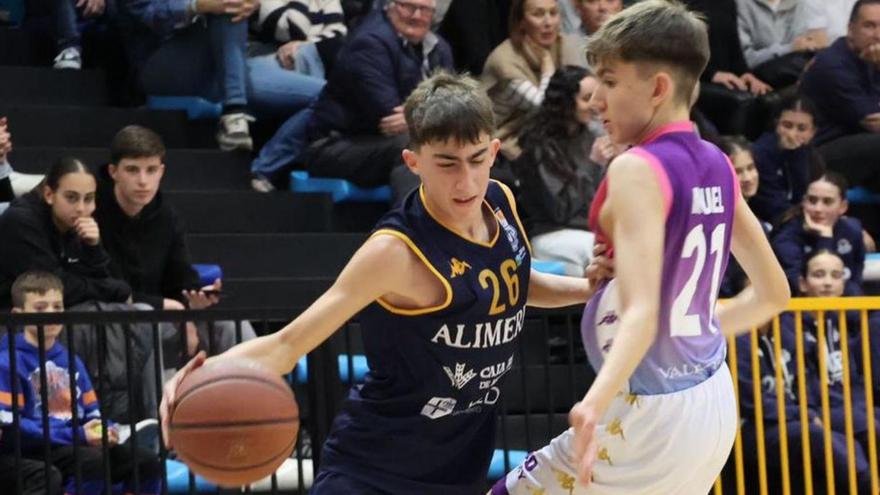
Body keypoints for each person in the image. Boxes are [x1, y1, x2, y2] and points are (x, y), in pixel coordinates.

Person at [161, 72, 603, 495]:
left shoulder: (500, 201)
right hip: (375, 471)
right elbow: (285, 345)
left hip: (460, 465)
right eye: (446, 164)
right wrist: (197, 380)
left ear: (493, 151)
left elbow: (515, 284)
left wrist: (589, 288)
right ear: (413, 161)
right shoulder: (394, 252)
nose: (465, 181)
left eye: (476, 160)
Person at [493, 2, 790, 493]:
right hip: (710, 398)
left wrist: (592, 401)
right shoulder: (717, 161)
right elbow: (774, 295)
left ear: (657, 88)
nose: (595, 101)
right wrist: (690, 338)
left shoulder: (636, 169)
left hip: (647, 410)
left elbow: (644, 313)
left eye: (609, 82)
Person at [94, 125, 256, 356]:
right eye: (132, 170)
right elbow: (104, 287)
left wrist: (195, 297)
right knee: (147, 324)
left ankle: (268, 391)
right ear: (113, 172)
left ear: (161, 171)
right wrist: (170, 308)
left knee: (231, 327)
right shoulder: (92, 212)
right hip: (119, 317)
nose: (143, 181)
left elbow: (180, 277)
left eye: (151, 170)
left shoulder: (167, 217)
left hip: (165, 313)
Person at [0, 271, 161, 495]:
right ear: (18, 314)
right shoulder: (7, 361)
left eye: (57, 307)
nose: (51, 314)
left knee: (146, 462)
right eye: (40, 308)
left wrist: (105, 429)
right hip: (33, 448)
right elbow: (10, 425)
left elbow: (91, 411)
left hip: (75, 443)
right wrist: (77, 436)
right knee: (92, 461)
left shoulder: (71, 359)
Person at [290, 0, 454, 198]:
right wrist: (438, 115)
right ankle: (415, 227)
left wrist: (420, 117)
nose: (416, 16)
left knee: (468, 147)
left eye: (425, 10)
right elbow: (389, 114)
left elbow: (455, 106)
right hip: (335, 147)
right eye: (408, 7)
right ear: (390, 7)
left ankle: (462, 226)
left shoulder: (439, 48)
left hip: (381, 143)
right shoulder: (369, 43)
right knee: (412, 147)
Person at [785, 249, 879, 491]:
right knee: (872, 428)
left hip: (849, 403)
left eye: (835, 275)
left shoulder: (843, 319)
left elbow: (855, 375)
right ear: (803, 284)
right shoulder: (789, 325)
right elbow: (803, 385)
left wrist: (860, 403)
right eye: (819, 274)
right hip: (818, 408)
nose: (827, 282)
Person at [514, 65, 610, 276]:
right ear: (566, 102)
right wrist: (594, 163)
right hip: (551, 232)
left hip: (588, 229)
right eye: (586, 98)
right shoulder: (538, 144)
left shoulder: (592, 136)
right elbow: (559, 210)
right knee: (601, 250)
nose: (594, 105)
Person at [0, 157, 132, 309]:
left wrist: (93, 247)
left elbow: (106, 280)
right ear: (49, 194)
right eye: (71, 197)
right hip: (13, 321)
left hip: (61, 315)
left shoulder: (76, 223)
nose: (81, 208)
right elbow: (49, 288)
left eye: (88, 199)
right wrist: (111, 290)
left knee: (137, 312)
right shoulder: (20, 221)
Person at [481, 0, 588, 161]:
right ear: (521, 21)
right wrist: (547, 72)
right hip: (505, 150)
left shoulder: (566, 44)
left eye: (553, 13)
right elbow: (546, 108)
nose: (548, 22)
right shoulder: (504, 60)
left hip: (550, 141)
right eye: (538, 14)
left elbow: (584, 94)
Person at [799, 0, 880, 193]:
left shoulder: (869, 58)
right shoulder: (833, 66)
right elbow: (874, 123)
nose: (878, 35)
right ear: (850, 29)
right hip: (819, 153)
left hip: (858, 145)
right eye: (869, 26)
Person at [772, 172, 871, 296]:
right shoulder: (786, 238)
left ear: (843, 206)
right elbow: (798, 287)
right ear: (803, 202)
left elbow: (856, 284)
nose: (818, 209)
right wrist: (825, 239)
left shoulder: (853, 231)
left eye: (827, 201)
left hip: (845, 309)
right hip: (801, 310)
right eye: (812, 200)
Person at [748, 96, 822, 226]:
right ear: (777, 124)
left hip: (804, 217)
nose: (792, 134)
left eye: (801, 128)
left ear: (813, 132)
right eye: (787, 125)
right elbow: (775, 208)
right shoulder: (760, 154)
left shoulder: (810, 154)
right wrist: (795, 156)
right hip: (773, 222)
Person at [735, 0, 824, 88]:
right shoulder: (740, 5)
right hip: (760, 71)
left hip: (793, 67)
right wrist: (789, 48)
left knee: (821, 63)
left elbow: (801, 41)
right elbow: (746, 59)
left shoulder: (797, 3)